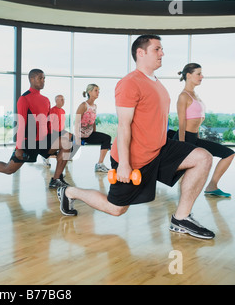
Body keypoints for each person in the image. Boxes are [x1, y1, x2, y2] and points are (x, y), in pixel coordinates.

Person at [57, 34, 215, 240]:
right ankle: (70, 192)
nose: (162, 53)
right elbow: (123, 126)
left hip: (159, 148)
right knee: (116, 209)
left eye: (161, 49)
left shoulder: (157, 83)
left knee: (202, 158)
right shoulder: (129, 83)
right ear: (141, 53)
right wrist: (124, 164)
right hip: (134, 158)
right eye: (157, 49)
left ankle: (181, 218)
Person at [0, 69, 75, 188]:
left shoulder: (46, 100)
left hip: (44, 139)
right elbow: (21, 124)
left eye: (44, 78)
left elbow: (47, 122)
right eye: (40, 78)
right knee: (9, 169)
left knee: (66, 143)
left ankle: (56, 179)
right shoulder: (24, 99)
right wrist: (19, 148)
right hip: (28, 142)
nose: (43, 81)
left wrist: (56, 136)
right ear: (31, 79)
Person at [174, 63, 234, 197]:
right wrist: (182, 145)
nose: (202, 76)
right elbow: (181, 123)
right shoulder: (183, 96)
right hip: (185, 138)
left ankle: (212, 186)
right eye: (198, 74)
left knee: (229, 154)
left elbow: (197, 120)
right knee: (171, 169)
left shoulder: (195, 95)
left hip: (195, 138)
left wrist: (198, 137)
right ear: (189, 75)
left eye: (201, 73)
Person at [75, 84, 111, 172]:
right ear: (89, 92)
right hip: (82, 136)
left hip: (90, 134)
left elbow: (93, 120)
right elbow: (76, 122)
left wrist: (95, 132)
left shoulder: (95, 106)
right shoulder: (83, 105)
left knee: (107, 138)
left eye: (98, 90)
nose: (98, 92)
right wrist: (77, 138)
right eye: (96, 90)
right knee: (68, 154)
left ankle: (99, 164)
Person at [43, 94, 66, 167]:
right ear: (56, 101)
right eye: (61, 99)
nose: (63, 101)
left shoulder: (63, 111)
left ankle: (64, 157)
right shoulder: (52, 110)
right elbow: (50, 123)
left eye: (64, 99)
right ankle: (45, 157)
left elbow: (62, 123)